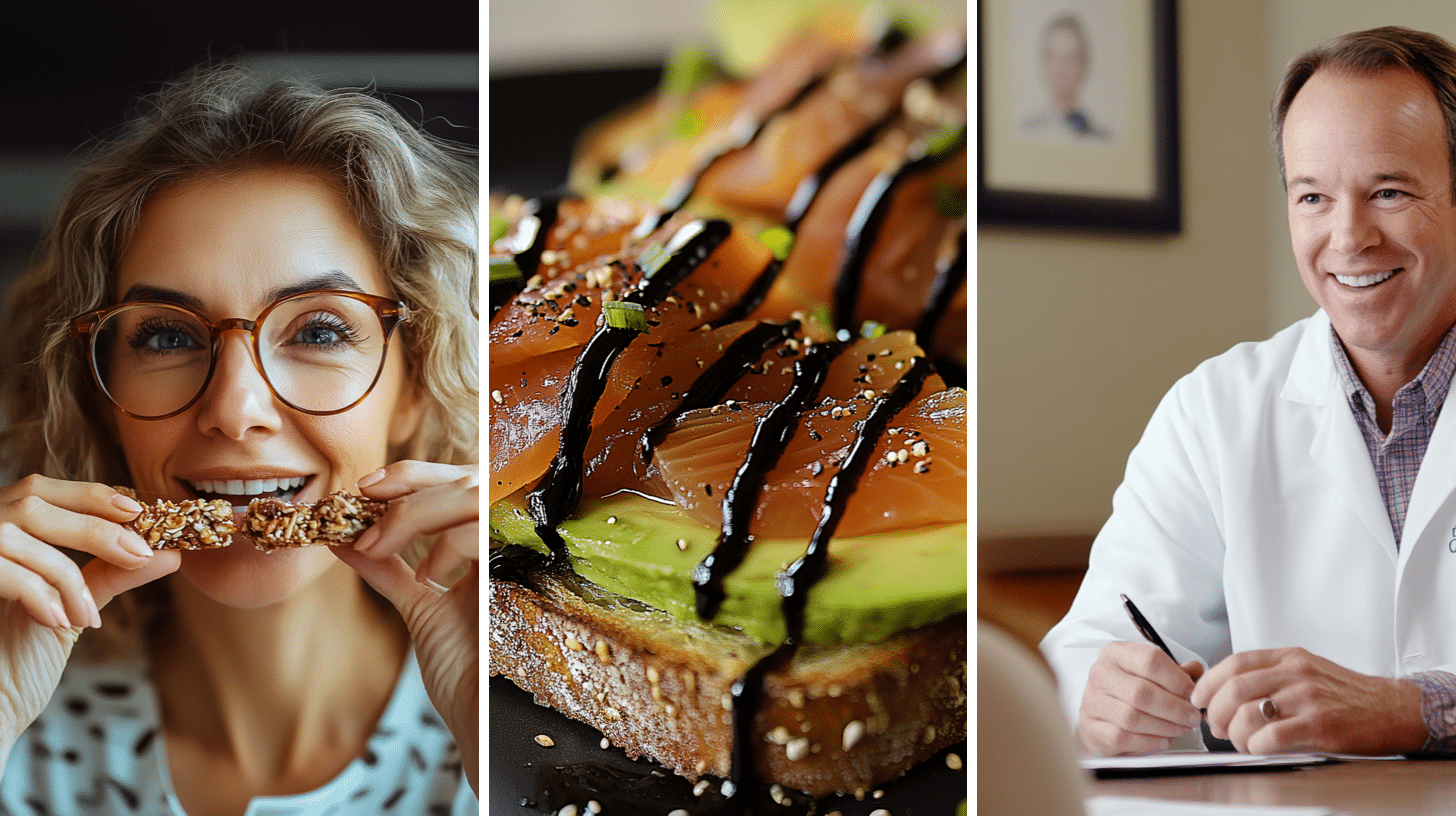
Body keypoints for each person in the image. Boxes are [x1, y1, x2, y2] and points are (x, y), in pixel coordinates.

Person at [0, 62, 479, 814]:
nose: (236, 408)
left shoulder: (490, 717)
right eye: (163, 337)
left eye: (318, 329)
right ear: (100, 396)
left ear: (414, 383)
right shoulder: (18, 728)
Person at [1041, 26, 1456, 759]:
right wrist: (1099, 695)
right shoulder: (1213, 412)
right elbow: (1087, 650)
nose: (1348, 236)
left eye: (1388, 192)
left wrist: (1416, 710)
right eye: (1313, 198)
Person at [1020, 13, 1110, 141]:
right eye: (1053, 57)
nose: (1061, 69)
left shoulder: (1101, 139)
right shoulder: (1027, 132)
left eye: (1071, 58)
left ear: (1084, 64)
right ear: (1043, 63)